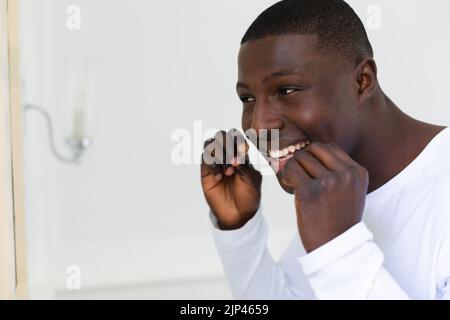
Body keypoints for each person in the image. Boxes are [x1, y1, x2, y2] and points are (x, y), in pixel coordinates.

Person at [200, 0, 450, 299]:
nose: (258, 124)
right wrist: (239, 229)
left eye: (286, 90)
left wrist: (339, 247)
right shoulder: (335, 192)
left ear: (362, 81)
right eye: (248, 98)